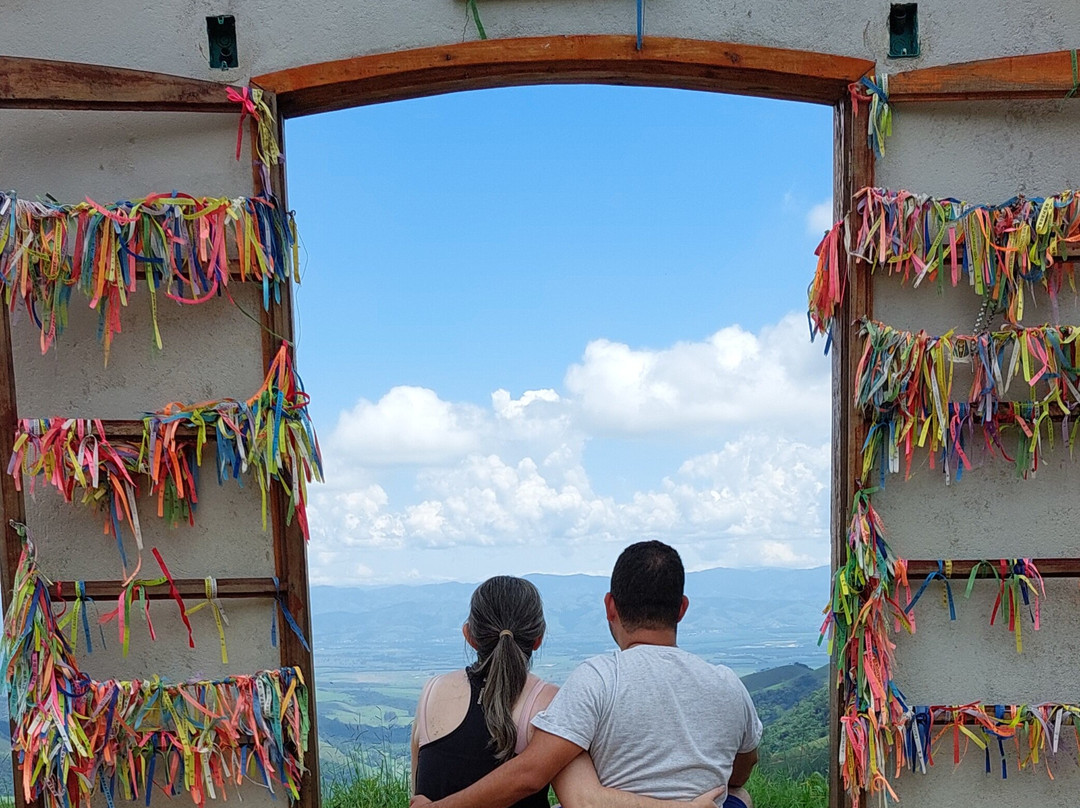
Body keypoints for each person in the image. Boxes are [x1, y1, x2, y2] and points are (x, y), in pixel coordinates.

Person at [411, 542, 761, 808]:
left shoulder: (597, 679)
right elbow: (743, 768)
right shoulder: (728, 683)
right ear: (682, 609)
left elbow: (536, 778)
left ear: (610, 606)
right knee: (740, 795)